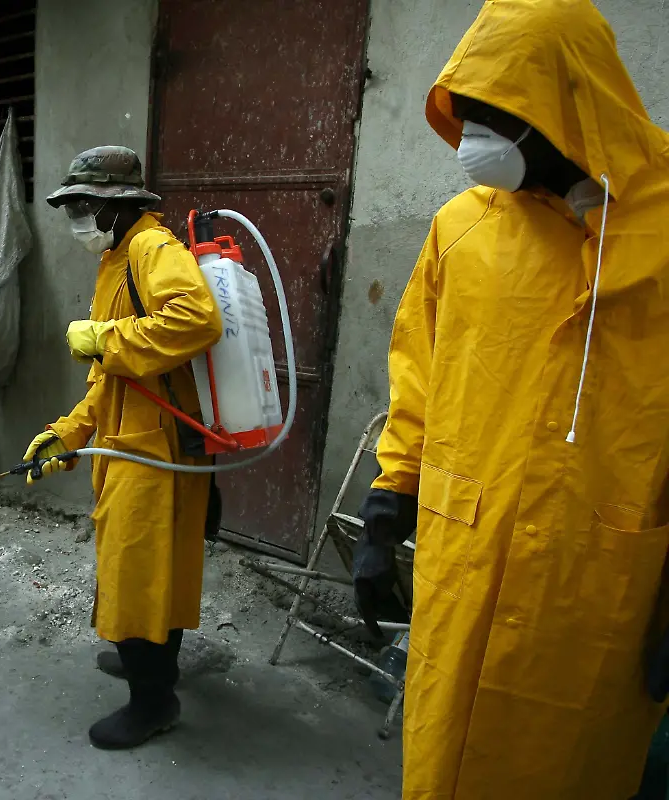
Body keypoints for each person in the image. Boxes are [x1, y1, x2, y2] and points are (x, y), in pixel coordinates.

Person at [352, 1, 669, 797]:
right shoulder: (462, 230)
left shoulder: (659, 242)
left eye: (500, 117)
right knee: (443, 759)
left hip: (590, 586)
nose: (474, 141)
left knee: (562, 767)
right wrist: (389, 498)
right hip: (466, 559)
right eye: (469, 116)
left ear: (569, 106)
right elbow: (419, 374)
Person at [26, 145, 222, 749]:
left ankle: (153, 702)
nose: (75, 219)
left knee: (135, 576)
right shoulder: (117, 257)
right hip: (133, 438)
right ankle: (151, 665)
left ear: (118, 205)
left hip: (157, 448)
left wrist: (106, 336)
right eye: (72, 207)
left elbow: (197, 320)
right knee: (152, 573)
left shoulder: (151, 248)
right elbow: (112, 377)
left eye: (84, 206)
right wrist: (69, 431)